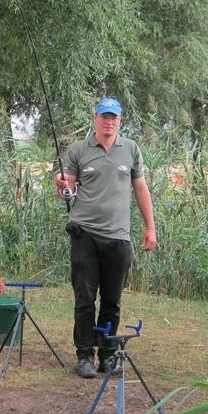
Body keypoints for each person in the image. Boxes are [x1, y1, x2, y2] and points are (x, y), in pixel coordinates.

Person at [54, 96, 157, 378]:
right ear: (95, 119)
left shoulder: (131, 150)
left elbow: (140, 188)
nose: (109, 121)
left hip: (119, 238)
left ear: (120, 120)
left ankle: (108, 355)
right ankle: (85, 355)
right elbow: (68, 191)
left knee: (112, 301)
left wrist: (150, 226)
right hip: (84, 234)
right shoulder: (78, 150)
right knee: (85, 298)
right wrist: (62, 187)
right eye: (104, 116)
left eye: (113, 117)